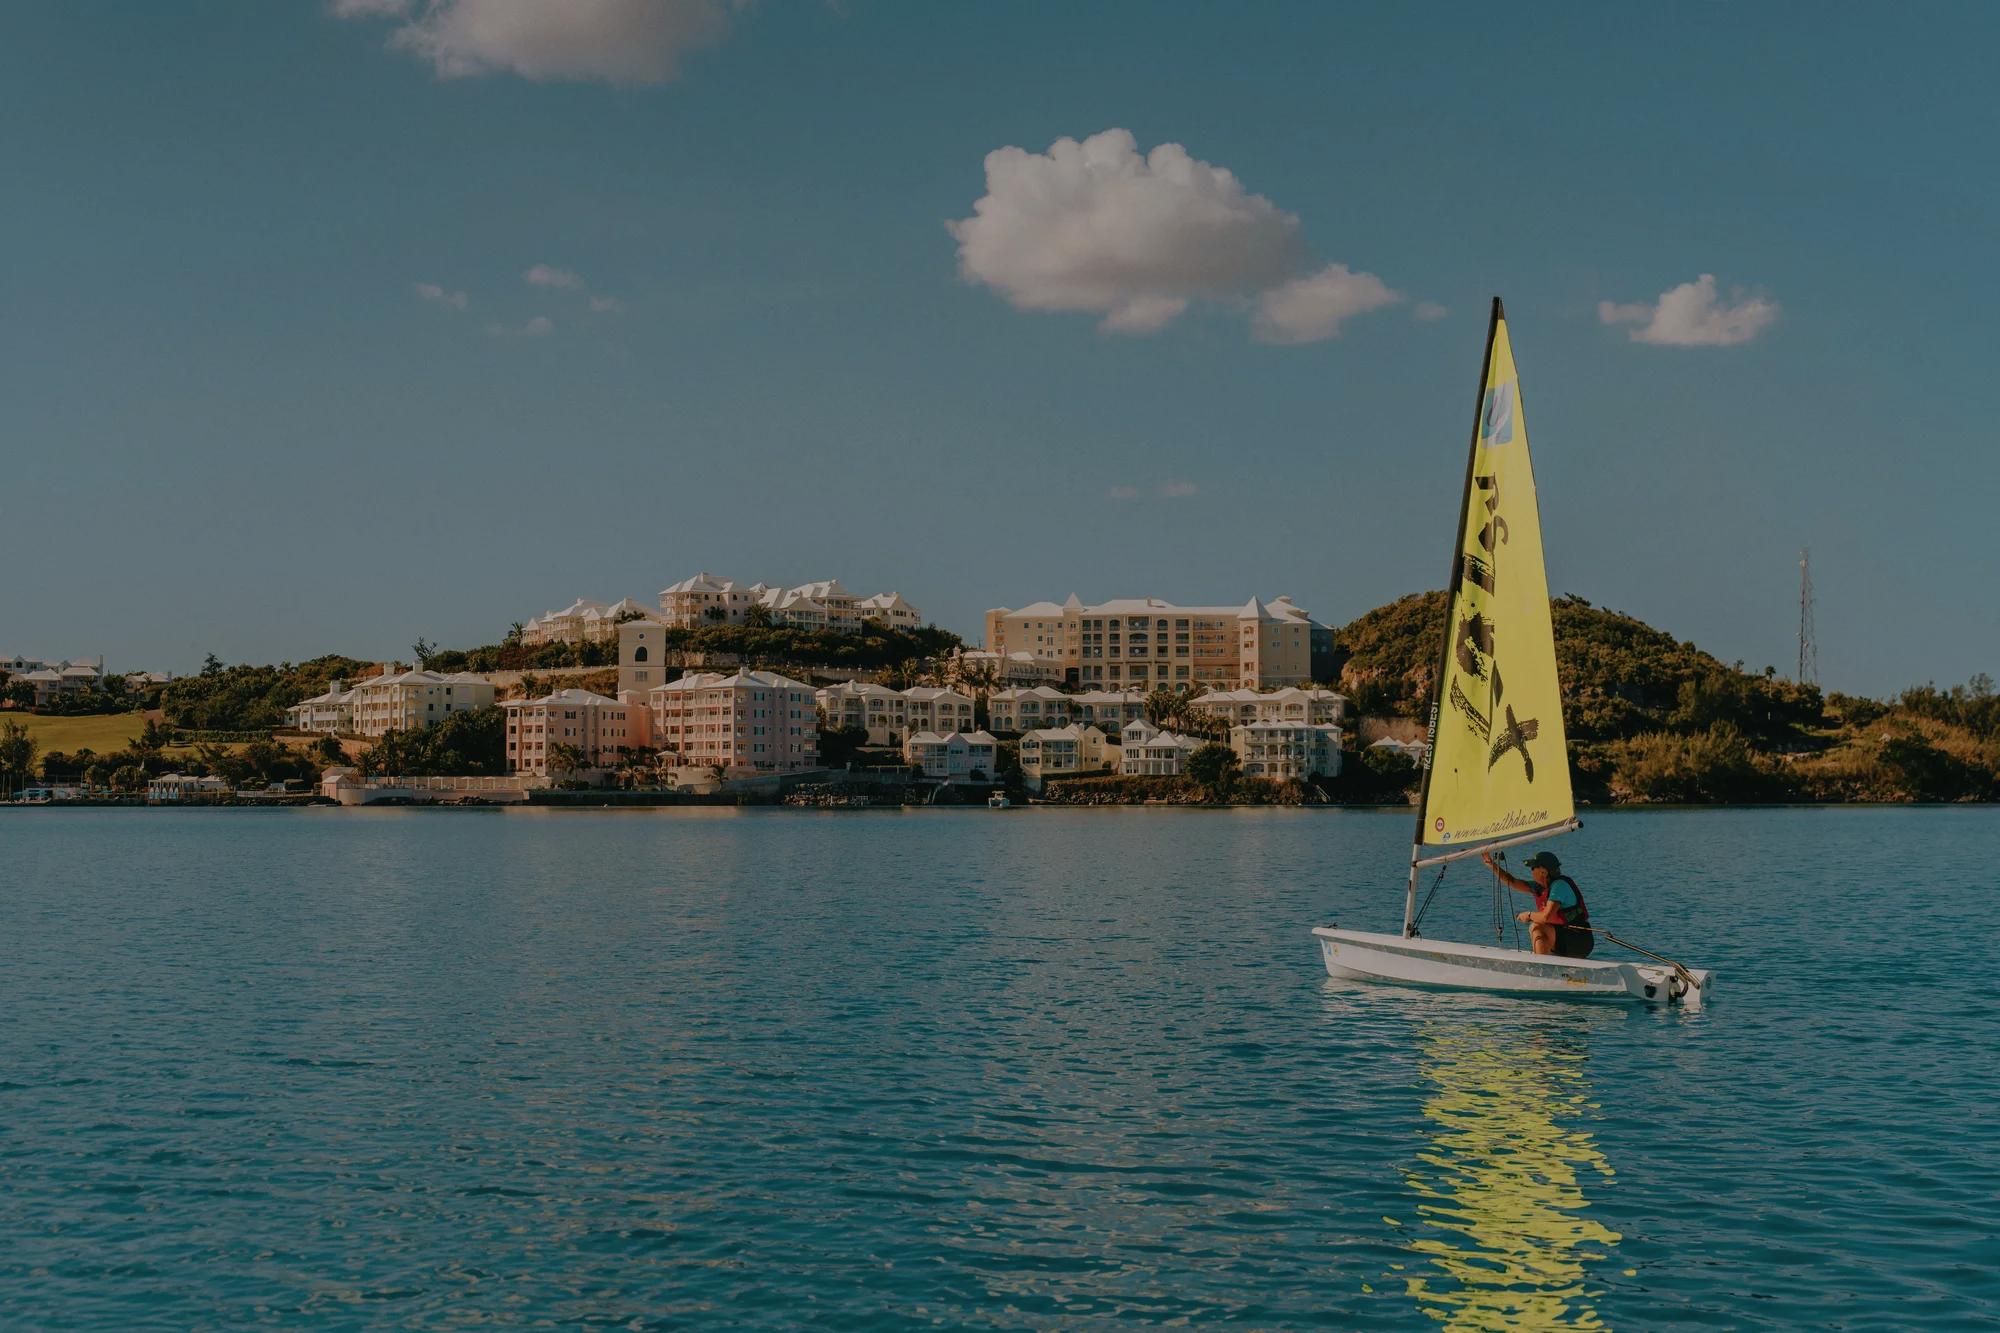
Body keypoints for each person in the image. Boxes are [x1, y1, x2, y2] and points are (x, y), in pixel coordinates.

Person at [1480, 848, 1593, 958]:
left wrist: (1528, 915)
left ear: (1543, 872)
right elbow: (1512, 881)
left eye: (1533, 868)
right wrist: (1491, 864)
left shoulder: (1559, 886)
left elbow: (1546, 916)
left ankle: (1542, 968)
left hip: (1579, 940)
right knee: (1538, 928)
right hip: (1563, 938)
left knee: (1537, 927)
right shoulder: (1539, 887)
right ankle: (1545, 962)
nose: (1531, 871)